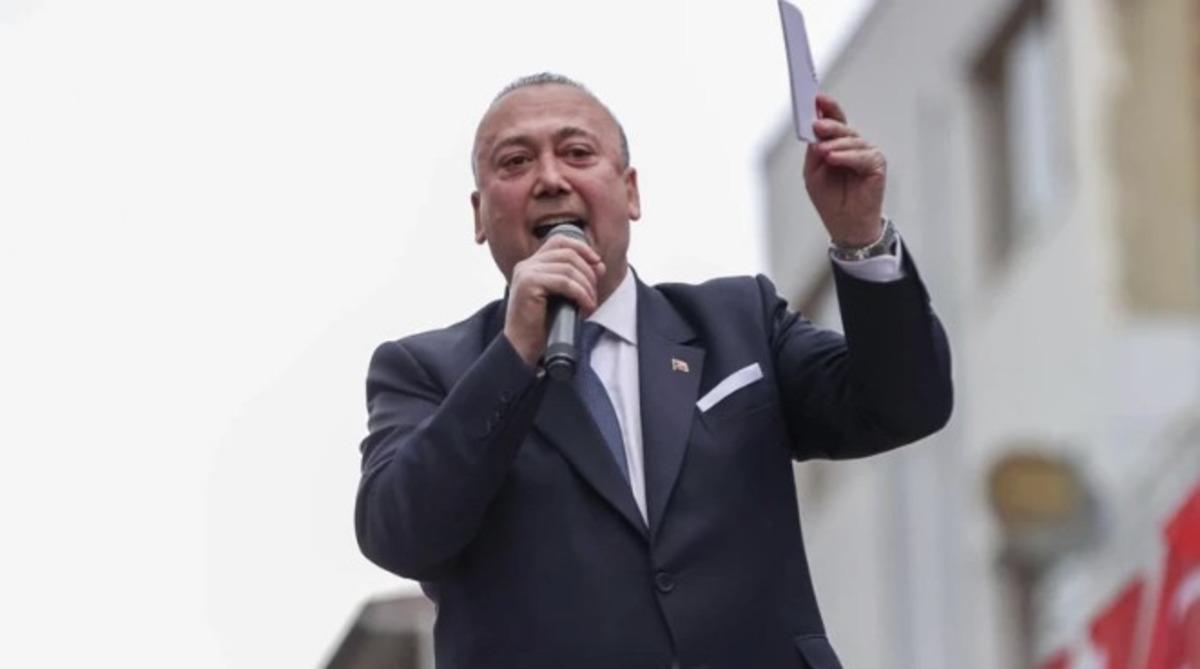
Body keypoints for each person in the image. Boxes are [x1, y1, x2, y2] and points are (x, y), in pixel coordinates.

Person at [355, 72, 952, 669]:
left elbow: (904, 404)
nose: (551, 179)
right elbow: (400, 535)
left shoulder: (738, 321)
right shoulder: (426, 371)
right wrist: (515, 355)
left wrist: (860, 238)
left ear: (631, 192)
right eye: (515, 162)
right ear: (479, 215)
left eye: (577, 153)